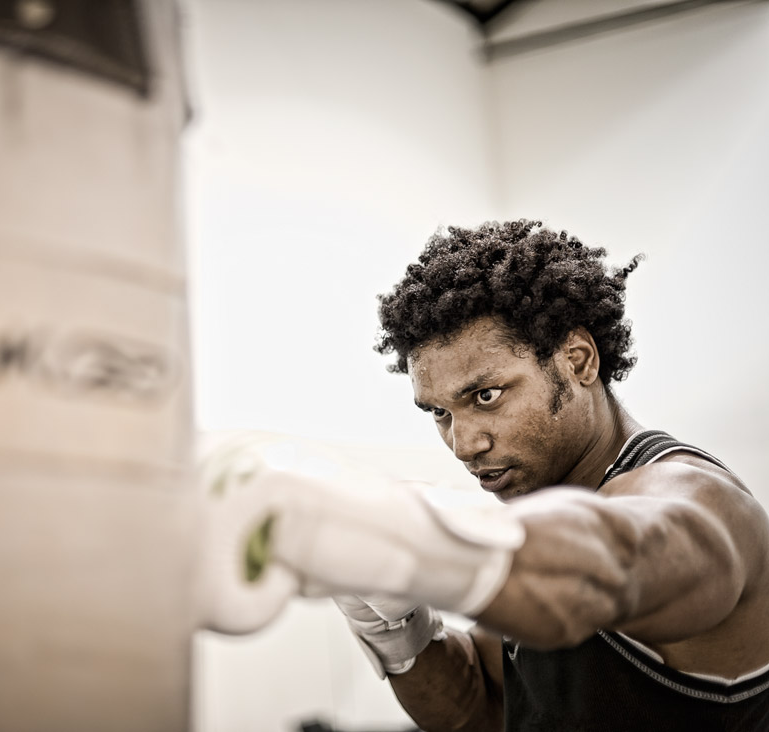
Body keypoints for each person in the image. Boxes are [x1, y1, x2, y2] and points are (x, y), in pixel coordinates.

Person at [205, 219, 769, 731]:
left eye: (487, 395)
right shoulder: (537, 525)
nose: (464, 443)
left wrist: (382, 531)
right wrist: (395, 626)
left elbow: (609, 563)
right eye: (440, 413)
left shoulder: (697, 500)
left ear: (578, 361)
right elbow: (483, 710)